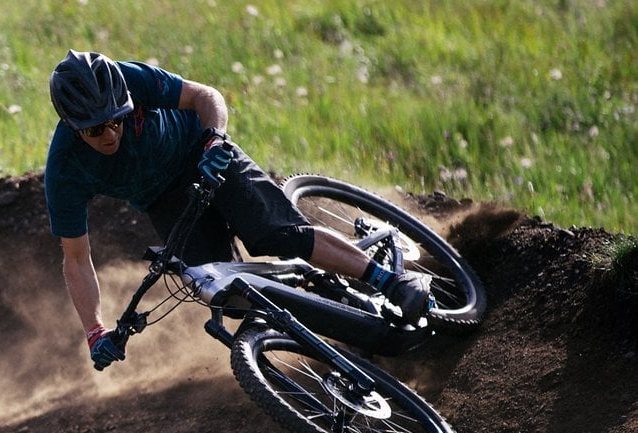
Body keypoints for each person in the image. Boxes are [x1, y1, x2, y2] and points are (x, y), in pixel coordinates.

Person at [44, 50, 434, 370]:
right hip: (163, 199)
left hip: (202, 152)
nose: (111, 133)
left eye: (118, 119)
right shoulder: (65, 171)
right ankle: (330, 322)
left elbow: (205, 96)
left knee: (275, 235)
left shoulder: (131, 80)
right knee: (225, 294)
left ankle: (391, 280)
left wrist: (216, 140)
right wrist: (94, 332)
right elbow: (76, 260)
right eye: (96, 130)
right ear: (73, 126)